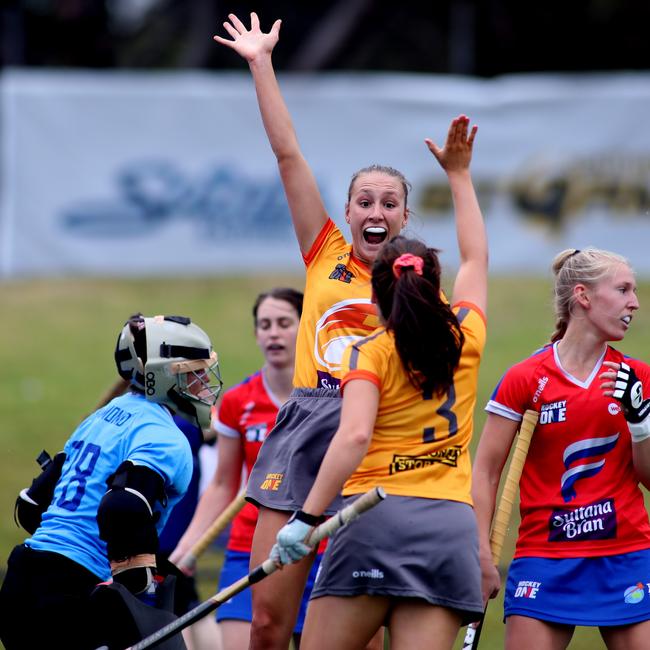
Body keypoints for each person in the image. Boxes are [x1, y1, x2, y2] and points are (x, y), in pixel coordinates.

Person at [212, 12, 485, 649]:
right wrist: (262, 64)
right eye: (365, 200)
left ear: (405, 217)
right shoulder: (325, 251)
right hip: (311, 425)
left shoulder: (422, 287)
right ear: (347, 211)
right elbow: (287, 154)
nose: (375, 211)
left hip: (379, 437)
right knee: (269, 619)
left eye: (389, 203)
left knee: (358, 613)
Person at [273, 221, 487, 646]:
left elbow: (353, 436)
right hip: (450, 527)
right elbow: (476, 258)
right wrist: (460, 176)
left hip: (375, 518)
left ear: (375, 295)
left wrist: (305, 518)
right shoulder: (468, 335)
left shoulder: (368, 352)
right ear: (435, 288)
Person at [0, 314, 222, 650]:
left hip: (22, 578)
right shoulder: (165, 437)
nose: (205, 381)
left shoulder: (101, 417)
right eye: (195, 372)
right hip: (74, 591)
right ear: (163, 375)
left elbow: (32, 505)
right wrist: (135, 577)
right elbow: (124, 507)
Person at [472, 248, 650, 649]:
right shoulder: (526, 378)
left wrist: (641, 423)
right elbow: (484, 472)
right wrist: (480, 552)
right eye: (622, 290)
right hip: (545, 558)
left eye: (634, 291)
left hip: (626, 555)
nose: (634, 302)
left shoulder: (637, 378)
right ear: (584, 297)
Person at [171, 287, 320, 650]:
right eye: (264, 325)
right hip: (249, 546)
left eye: (284, 323)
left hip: (318, 545)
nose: (273, 332)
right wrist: (186, 549)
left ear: (305, 329)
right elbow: (223, 484)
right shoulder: (239, 401)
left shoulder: (330, 396)